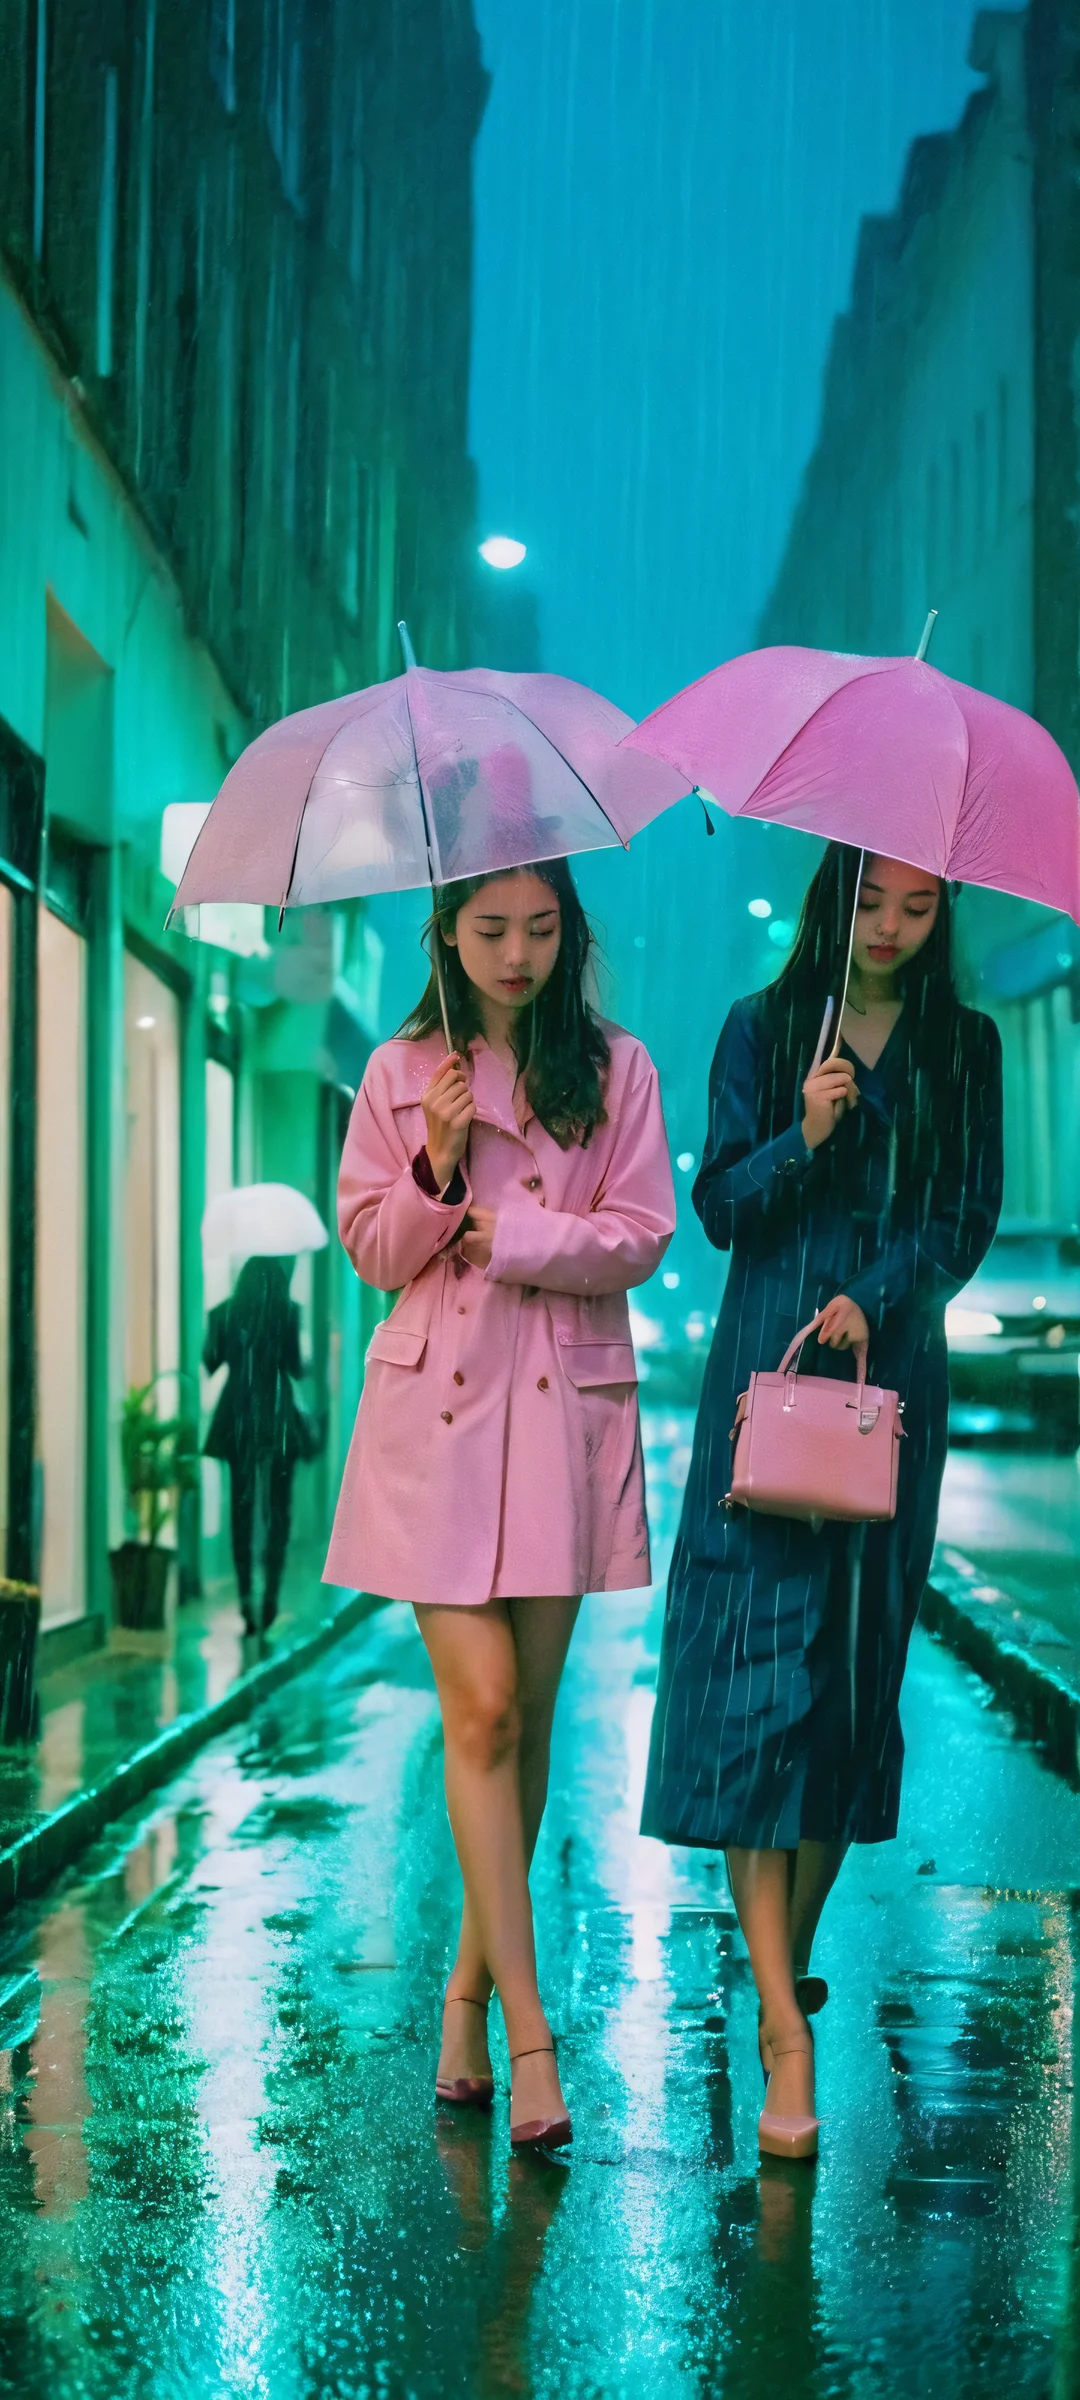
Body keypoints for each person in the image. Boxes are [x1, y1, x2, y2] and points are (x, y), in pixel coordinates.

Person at [641, 844, 1003, 2160]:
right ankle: (787, 2033)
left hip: (887, 1397)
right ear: (832, 897)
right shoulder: (765, 1025)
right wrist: (806, 1134)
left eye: (918, 905)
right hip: (765, 1386)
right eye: (871, 901)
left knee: (848, 1692)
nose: (891, 927)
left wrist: (881, 1293)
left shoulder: (965, 1046)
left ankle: (777, 1967)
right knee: (752, 1687)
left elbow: (966, 1215)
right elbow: (719, 1206)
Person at [325, 858, 675, 2151]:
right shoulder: (398, 1070)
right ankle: (534, 2038)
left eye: (539, 928)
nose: (517, 954)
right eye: (490, 930)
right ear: (448, 934)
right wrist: (434, 1160)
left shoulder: (617, 1068)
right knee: (478, 1711)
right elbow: (370, 1249)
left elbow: (643, 1231)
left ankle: (466, 1999)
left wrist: (516, 1236)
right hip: (438, 1424)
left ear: (567, 931)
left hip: (559, 1420)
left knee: (520, 1727)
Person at [204, 1253, 307, 1634]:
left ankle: (246, 1597)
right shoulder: (289, 1312)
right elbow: (296, 1367)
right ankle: (271, 1597)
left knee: (241, 1509)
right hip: (277, 1416)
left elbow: (210, 1362)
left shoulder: (224, 1313)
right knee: (278, 1511)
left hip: (238, 1417)